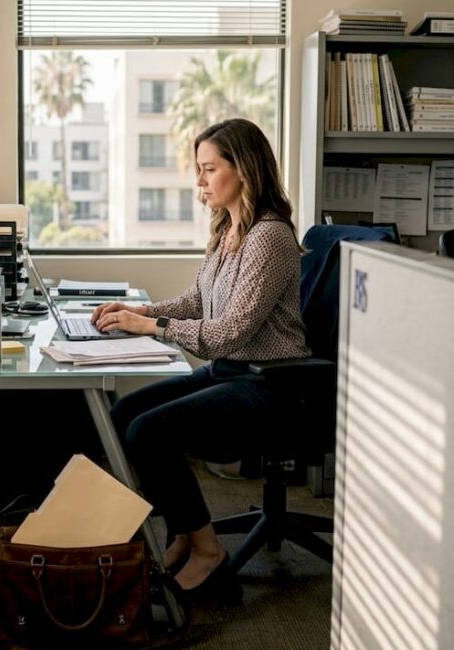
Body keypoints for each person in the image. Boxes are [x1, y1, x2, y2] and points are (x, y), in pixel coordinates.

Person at [90, 118, 309, 594]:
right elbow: (196, 302)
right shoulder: (229, 229)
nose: (200, 181)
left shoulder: (269, 238)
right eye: (199, 169)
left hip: (269, 384)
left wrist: (151, 327)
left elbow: (228, 332)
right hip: (230, 371)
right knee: (124, 413)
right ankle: (186, 533)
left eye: (209, 169)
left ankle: (208, 549)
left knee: (150, 432)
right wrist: (139, 310)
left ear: (245, 171)